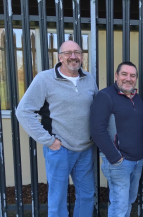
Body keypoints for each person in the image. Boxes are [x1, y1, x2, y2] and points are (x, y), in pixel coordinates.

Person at [16, 40, 98, 216]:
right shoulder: (45, 79)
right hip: (60, 150)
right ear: (60, 57)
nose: (73, 57)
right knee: (58, 198)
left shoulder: (89, 79)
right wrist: (49, 141)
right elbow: (23, 111)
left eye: (77, 52)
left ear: (82, 56)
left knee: (87, 195)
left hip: (85, 149)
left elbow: (98, 110)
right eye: (68, 53)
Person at [90, 61, 143, 217]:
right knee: (119, 206)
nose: (128, 78)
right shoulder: (105, 96)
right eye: (124, 74)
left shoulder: (137, 98)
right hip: (119, 162)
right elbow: (97, 130)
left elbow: (141, 125)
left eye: (132, 75)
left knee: (129, 201)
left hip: (137, 160)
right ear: (116, 76)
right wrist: (115, 158)